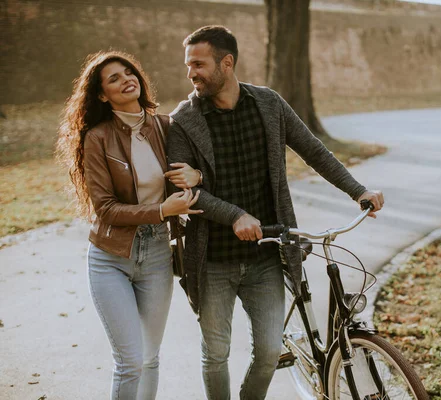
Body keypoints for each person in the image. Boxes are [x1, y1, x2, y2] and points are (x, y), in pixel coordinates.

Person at [167, 25, 384, 400]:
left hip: (267, 254)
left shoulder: (268, 104)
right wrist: (235, 215)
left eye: (199, 64)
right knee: (216, 354)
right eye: (189, 65)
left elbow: (313, 150)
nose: (191, 73)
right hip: (212, 259)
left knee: (269, 352)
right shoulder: (183, 120)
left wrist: (358, 190)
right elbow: (185, 191)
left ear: (227, 62)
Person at [56, 50, 203, 399]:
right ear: (102, 95)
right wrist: (162, 211)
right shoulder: (98, 138)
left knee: (150, 358)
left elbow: (198, 169)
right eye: (114, 79)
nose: (126, 80)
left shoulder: (166, 126)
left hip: (156, 256)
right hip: (111, 257)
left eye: (128, 72)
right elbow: (105, 209)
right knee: (130, 361)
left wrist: (197, 174)